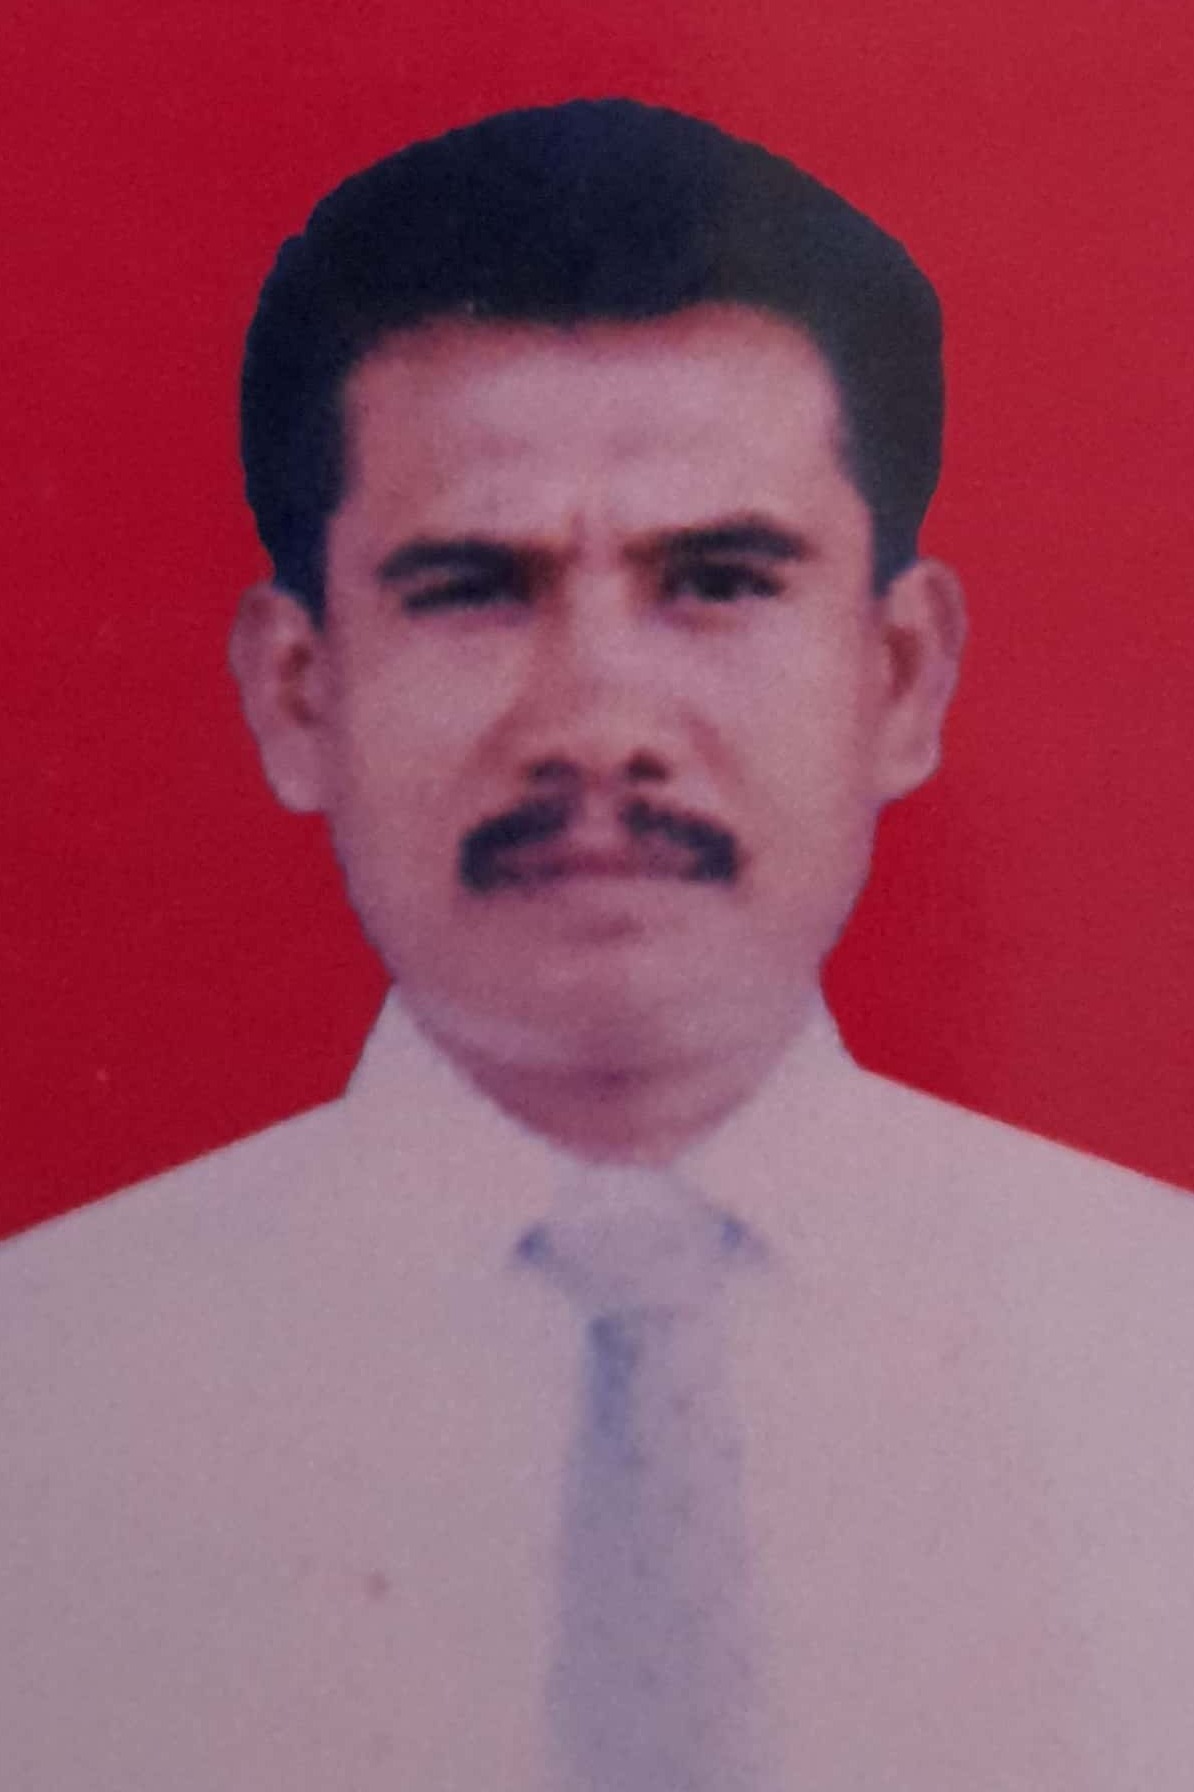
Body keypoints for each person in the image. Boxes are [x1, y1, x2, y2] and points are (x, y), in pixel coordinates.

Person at [2, 99, 1191, 1791]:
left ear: (898, 677)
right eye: (471, 587)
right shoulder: (39, 1405)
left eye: (716, 579)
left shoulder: (1157, 1355)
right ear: (298, 693)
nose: (596, 722)